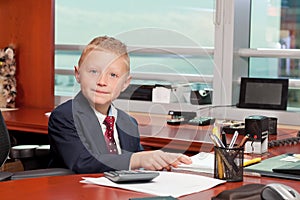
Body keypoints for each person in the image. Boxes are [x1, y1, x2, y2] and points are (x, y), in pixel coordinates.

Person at [48, 36, 192, 173]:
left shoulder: (128, 122)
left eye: (113, 75)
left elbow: (138, 159)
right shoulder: (65, 116)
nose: (102, 81)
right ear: (78, 74)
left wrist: (161, 161)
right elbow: (82, 161)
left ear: (125, 84)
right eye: (93, 71)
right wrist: (137, 159)